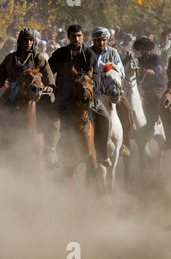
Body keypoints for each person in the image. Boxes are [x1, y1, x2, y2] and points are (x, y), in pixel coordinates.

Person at [48, 24, 112, 167]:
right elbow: (48, 71)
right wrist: (48, 85)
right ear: (68, 37)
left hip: (86, 97)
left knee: (106, 118)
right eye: (73, 36)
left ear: (83, 37)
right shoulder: (60, 54)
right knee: (51, 118)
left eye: (79, 36)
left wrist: (91, 93)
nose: (76, 38)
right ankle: (51, 153)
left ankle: (102, 153)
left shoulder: (90, 55)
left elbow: (96, 77)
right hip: (64, 96)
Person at [0, 28, 60, 168]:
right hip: (14, 92)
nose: (28, 42)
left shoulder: (38, 57)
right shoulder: (10, 58)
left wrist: (50, 85)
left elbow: (48, 74)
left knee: (53, 119)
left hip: (36, 93)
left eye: (31, 40)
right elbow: (1, 75)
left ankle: (51, 149)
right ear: (20, 41)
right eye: (26, 40)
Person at [90, 27, 135, 157]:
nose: (101, 43)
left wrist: (112, 69)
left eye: (104, 40)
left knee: (127, 110)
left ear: (107, 40)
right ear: (94, 40)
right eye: (98, 40)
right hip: (93, 89)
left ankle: (125, 144)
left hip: (111, 88)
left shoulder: (113, 52)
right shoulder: (88, 53)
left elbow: (121, 72)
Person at [133, 36, 166, 134]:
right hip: (143, 88)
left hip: (157, 87)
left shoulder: (155, 57)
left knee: (159, 100)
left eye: (143, 48)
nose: (141, 50)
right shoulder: (138, 60)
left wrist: (153, 71)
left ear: (148, 48)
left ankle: (158, 120)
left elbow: (159, 67)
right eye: (140, 48)